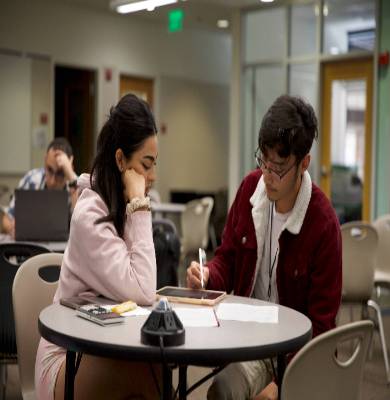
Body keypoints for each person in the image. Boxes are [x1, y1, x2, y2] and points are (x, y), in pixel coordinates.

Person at [186, 95, 342, 400]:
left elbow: (323, 328)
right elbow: (227, 261)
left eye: (279, 168)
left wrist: (280, 386)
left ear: (304, 163)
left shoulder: (323, 224)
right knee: (223, 390)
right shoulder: (250, 191)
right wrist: (207, 275)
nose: (268, 177)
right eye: (264, 162)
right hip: (251, 344)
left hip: (299, 353)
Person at [35, 94, 160, 400]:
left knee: (155, 364)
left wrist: (135, 206)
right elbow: (144, 288)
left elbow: (140, 292)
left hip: (109, 343)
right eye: (146, 164)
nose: (152, 177)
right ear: (120, 160)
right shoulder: (89, 214)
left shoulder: (122, 204)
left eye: (155, 164)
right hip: (68, 357)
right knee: (148, 370)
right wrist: (141, 206)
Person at [1, 137, 78, 237]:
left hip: (65, 250)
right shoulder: (32, 179)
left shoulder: (76, 184)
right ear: (45, 160)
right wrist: (12, 228)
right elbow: (7, 218)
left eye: (60, 174)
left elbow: (83, 226)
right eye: (49, 170)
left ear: (70, 167)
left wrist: (71, 176)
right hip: (33, 247)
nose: (52, 181)